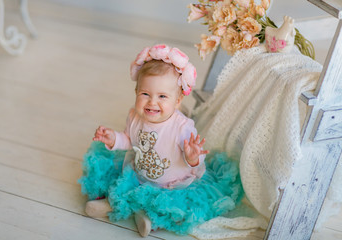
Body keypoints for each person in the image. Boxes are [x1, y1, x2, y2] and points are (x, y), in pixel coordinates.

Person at [79, 44, 243, 237]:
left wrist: (192, 157)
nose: (152, 102)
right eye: (145, 94)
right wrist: (114, 138)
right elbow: (129, 140)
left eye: (162, 96)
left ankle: (150, 219)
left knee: (173, 208)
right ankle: (112, 204)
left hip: (171, 185)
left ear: (177, 101)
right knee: (122, 183)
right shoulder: (134, 116)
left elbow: (196, 162)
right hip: (139, 176)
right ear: (136, 92)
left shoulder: (182, 128)